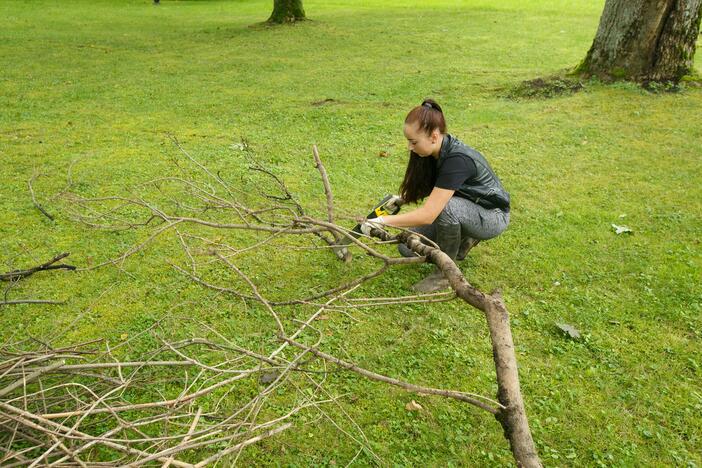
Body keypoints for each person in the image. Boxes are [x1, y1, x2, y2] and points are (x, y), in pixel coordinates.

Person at [361, 99, 510, 293]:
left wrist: (382, 221)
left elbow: (429, 214)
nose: (409, 147)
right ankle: (465, 239)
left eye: (413, 142)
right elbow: (438, 187)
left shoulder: (457, 160)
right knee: (407, 249)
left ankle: (445, 274)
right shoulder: (434, 152)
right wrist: (403, 198)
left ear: (434, 136)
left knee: (447, 209)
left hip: (492, 215)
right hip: (467, 206)